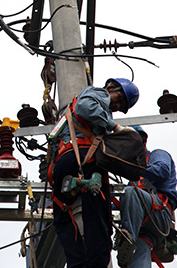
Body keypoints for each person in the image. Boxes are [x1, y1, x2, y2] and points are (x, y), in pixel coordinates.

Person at [49, 78, 139, 268]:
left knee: (63, 212)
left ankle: (79, 264)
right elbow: (84, 107)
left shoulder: (88, 110)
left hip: (67, 159)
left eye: (122, 105)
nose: (117, 105)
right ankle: (96, 264)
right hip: (85, 156)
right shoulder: (98, 93)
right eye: (120, 98)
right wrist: (114, 127)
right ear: (111, 88)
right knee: (97, 215)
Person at [114, 126, 177, 268]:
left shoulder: (157, 155)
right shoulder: (132, 180)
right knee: (140, 250)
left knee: (130, 192)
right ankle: (130, 242)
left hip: (159, 214)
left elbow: (162, 170)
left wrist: (137, 167)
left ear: (143, 140)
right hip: (144, 228)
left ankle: (127, 239)